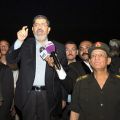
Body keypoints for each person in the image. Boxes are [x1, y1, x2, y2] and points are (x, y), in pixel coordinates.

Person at [7, 15, 67, 120]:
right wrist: (19, 41)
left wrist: (63, 98)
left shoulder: (59, 48)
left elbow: (64, 76)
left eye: (43, 24)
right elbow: (11, 59)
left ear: (48, 29)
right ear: (32, 29)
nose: (39, 27)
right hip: (27, 96)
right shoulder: (25, 45)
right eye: (36, 24)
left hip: (49, 96)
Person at [70, 41, 120, 120]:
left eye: (101, 55)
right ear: (90, 61)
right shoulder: (80, 83)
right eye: (93, 55)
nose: (96, 58)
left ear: (108, 60)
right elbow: (75, 112)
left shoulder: (118, 82)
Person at [0, 50, 14, 120]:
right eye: (1, 45)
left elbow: (11, 89)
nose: (3, 47)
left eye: (5, 45)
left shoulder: (11, 67)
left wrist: (12, 104)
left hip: (4, 104)